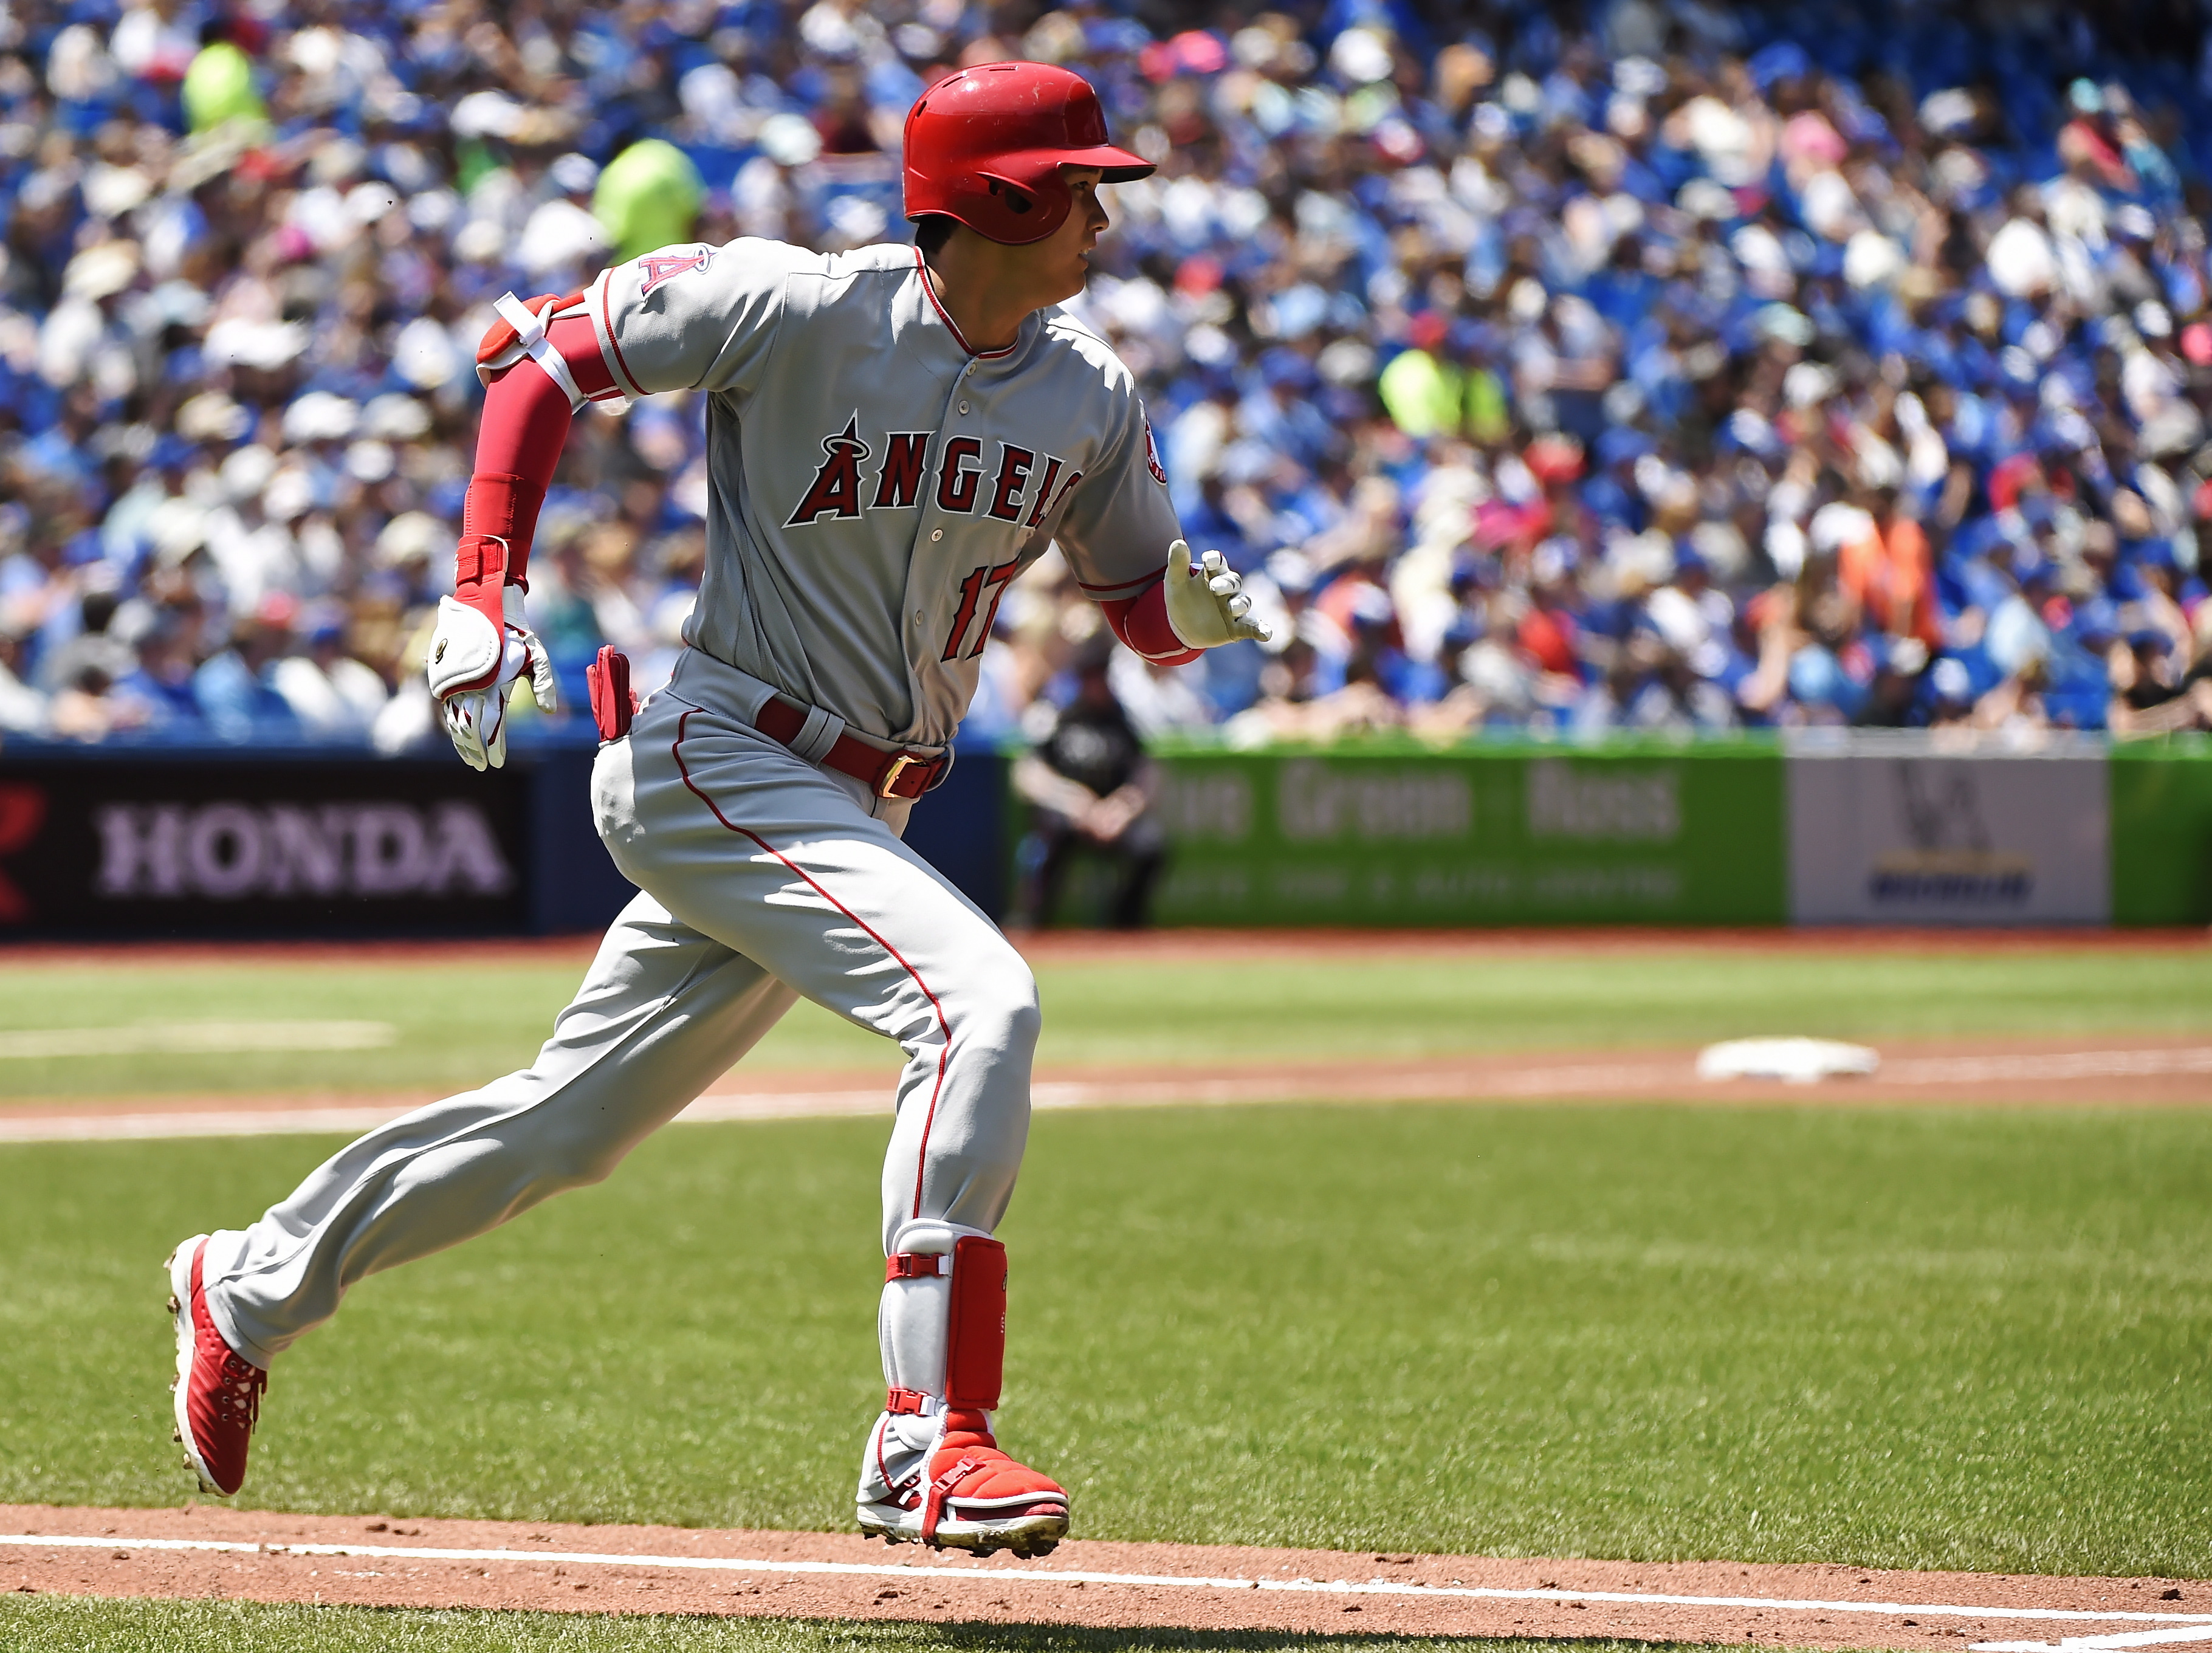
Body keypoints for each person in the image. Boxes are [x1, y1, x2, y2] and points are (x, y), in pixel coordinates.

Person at [163, 63, 1266, 1561]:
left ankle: (247, 1280)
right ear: (995, 202)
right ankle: (927, 1433)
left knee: (561, 1128)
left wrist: (1188, 614)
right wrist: (482, 583)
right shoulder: (796, 305)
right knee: (977, 1003)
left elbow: (1140, 606)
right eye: (1079, 183)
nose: (1103, 211)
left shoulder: (1089, 390)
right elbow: (537, 356)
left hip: (857, 807)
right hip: (720, 754)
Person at [1011, 633, 1166, 929]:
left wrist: (1122, 808)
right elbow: (1027, 774)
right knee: (1047, 840)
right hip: (1068, 814)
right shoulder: (1057, 714)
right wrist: (1074, 802)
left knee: (1150, 845)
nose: (1096, 685)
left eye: (1101, 677)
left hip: (1113, 817)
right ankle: (1035, 924)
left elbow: (1147, 772)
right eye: (1089, 677)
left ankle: (1125, 925)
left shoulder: (1124, 719)